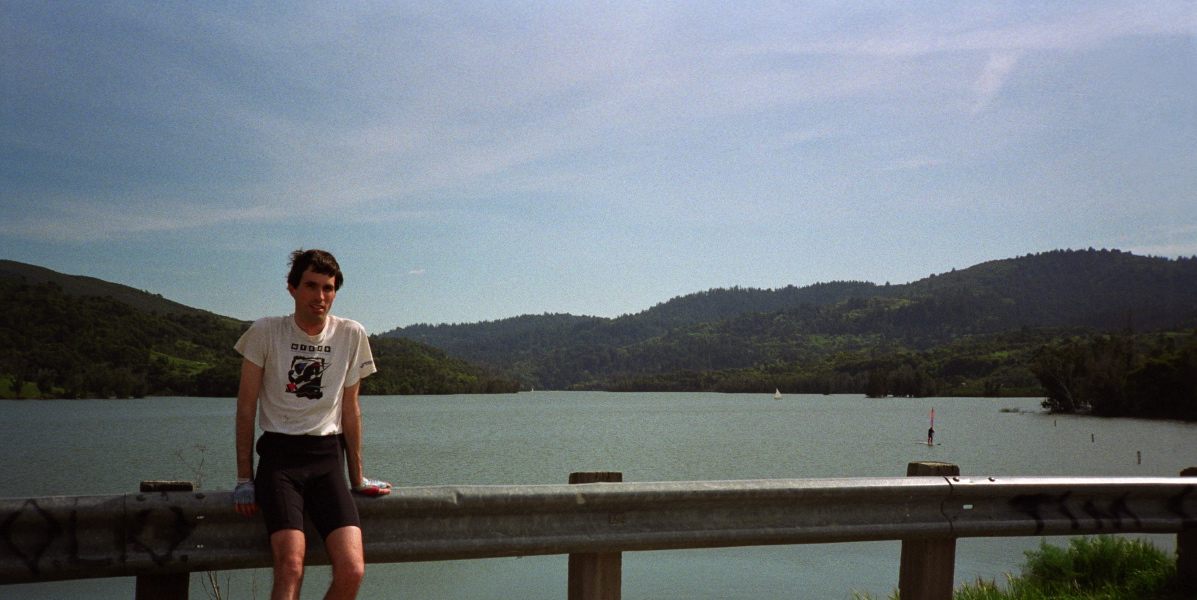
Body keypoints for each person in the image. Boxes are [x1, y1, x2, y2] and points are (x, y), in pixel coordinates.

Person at [232, 249, 392, 600]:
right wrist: (245, 478)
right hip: (280, 461)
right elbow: (246, 407)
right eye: (311, 286)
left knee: (352, 569)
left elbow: (350, 409)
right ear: (292, 288)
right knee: (291, 567)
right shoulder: (265, 331)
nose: (320, 296)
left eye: (328, 288)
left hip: (327, 460)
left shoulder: (351, 334)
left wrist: (358, 477)